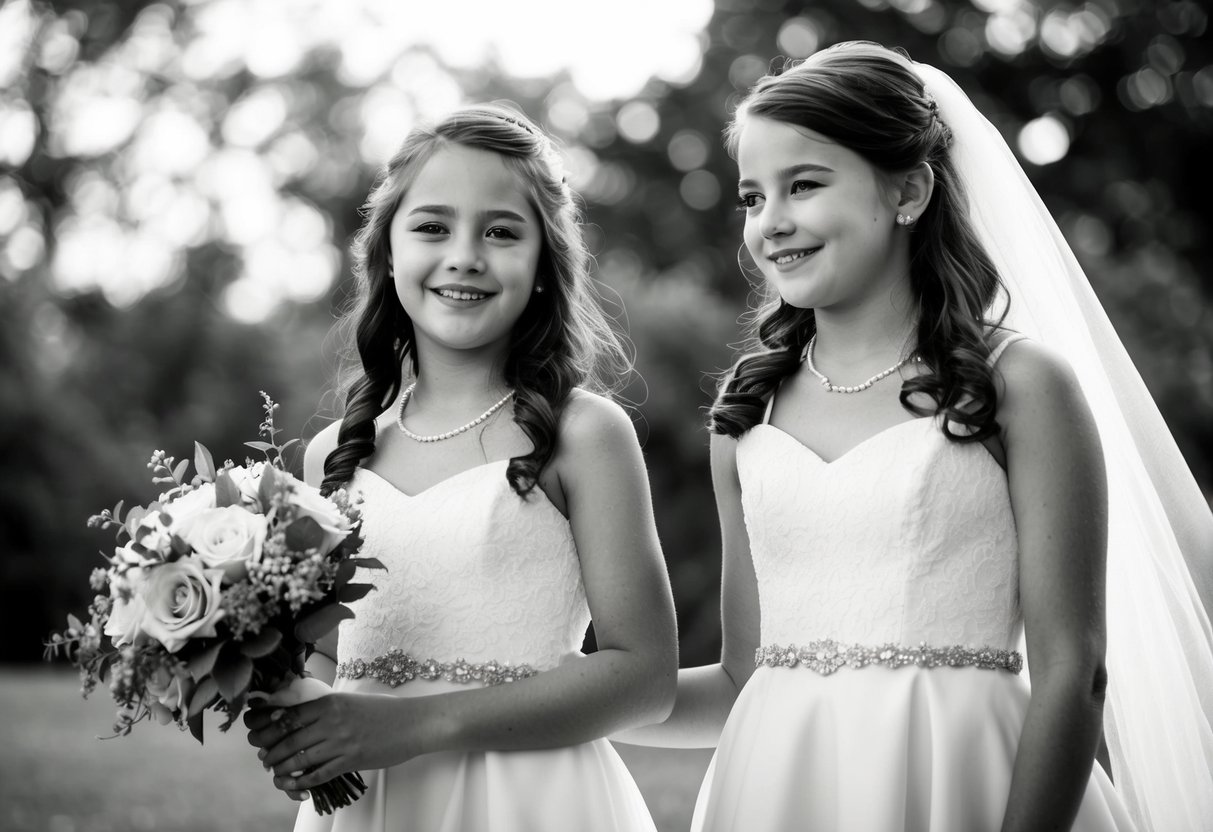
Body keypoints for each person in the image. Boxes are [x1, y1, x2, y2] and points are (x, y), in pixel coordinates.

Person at [616, 41, 1213, 831]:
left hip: (967, 784)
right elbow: (737, 681)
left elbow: (1075, 670)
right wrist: (533, 698)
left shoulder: (1020, 387)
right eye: (752, 197)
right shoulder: (745, 414)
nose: (772, 223)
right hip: (778, 795)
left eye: (804, 185)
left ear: (908, 191)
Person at [244, 104, 678, 832]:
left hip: (532, 802)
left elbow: (643, 677)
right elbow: (326, 659)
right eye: (432, 226)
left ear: (544, 262)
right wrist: (297, 715)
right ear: (386, 251)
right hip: (377, 809)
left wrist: (412, 726)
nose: (465, 255)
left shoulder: (583, 435)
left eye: (502, 232)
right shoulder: (333, 457)